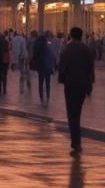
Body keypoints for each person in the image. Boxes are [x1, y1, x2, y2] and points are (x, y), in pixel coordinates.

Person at [58, 27, 95, 156]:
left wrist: (61, 79)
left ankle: (76, 141)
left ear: (71, 36)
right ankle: (77, 141)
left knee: (72, 113)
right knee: (77, 111)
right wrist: (90, 84)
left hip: (70, 84)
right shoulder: (86, 49)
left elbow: (62, 65)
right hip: (83, 84)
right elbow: (90, 67)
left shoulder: (67, 49)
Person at [31, 29, 57, 105]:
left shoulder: (39, 41)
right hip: (48, 65)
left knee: (41, 82)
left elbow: (35, 53)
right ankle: (48, 96)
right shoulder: (49, 43)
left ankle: (41, 97)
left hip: (41, 65)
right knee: (47, 82)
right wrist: (54, 64)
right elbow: (53, 54)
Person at [11, 29, 29, 93]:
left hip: (18, 55)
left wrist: (14, 59)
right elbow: (24, 47)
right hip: (23, 55)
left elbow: (15, 48)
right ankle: (24, 77)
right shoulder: (23, 39)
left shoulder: (14, 39)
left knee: (21, 67)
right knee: (23, 67)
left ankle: (22, 77)